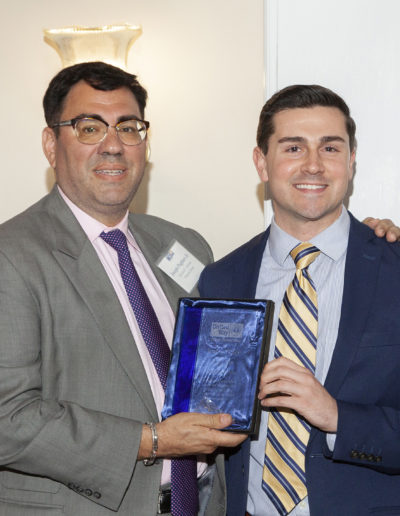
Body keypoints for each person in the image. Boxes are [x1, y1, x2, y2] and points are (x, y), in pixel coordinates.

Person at [0, 61, 246, 516]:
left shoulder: (184, 245)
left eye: (129, 128)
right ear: (51, 144)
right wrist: (152, 441)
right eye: (90, 128)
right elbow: (7, 417)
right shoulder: (11, 255)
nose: (113, 145)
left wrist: (362, 239)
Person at [198, 84, 400, 515]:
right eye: (293, 147)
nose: (313, 164)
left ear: (351, 161)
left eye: (330, 148)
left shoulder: (395, 267)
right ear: (262, 162)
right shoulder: (221, 279)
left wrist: (338, 417)